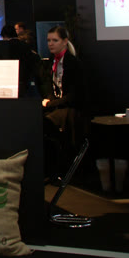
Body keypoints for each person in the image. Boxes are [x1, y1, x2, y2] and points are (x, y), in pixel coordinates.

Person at [42, 25, 85, 170]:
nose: (50, 44)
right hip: (57, 105)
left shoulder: (73, 64)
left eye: (55, 40)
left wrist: (51, 104)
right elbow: (49, 86)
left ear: (65, 41)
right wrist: (50, 100)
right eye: (48, 40)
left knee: (51, 121)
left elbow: (74, 95)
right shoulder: (51, 62)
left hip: (71, 108)